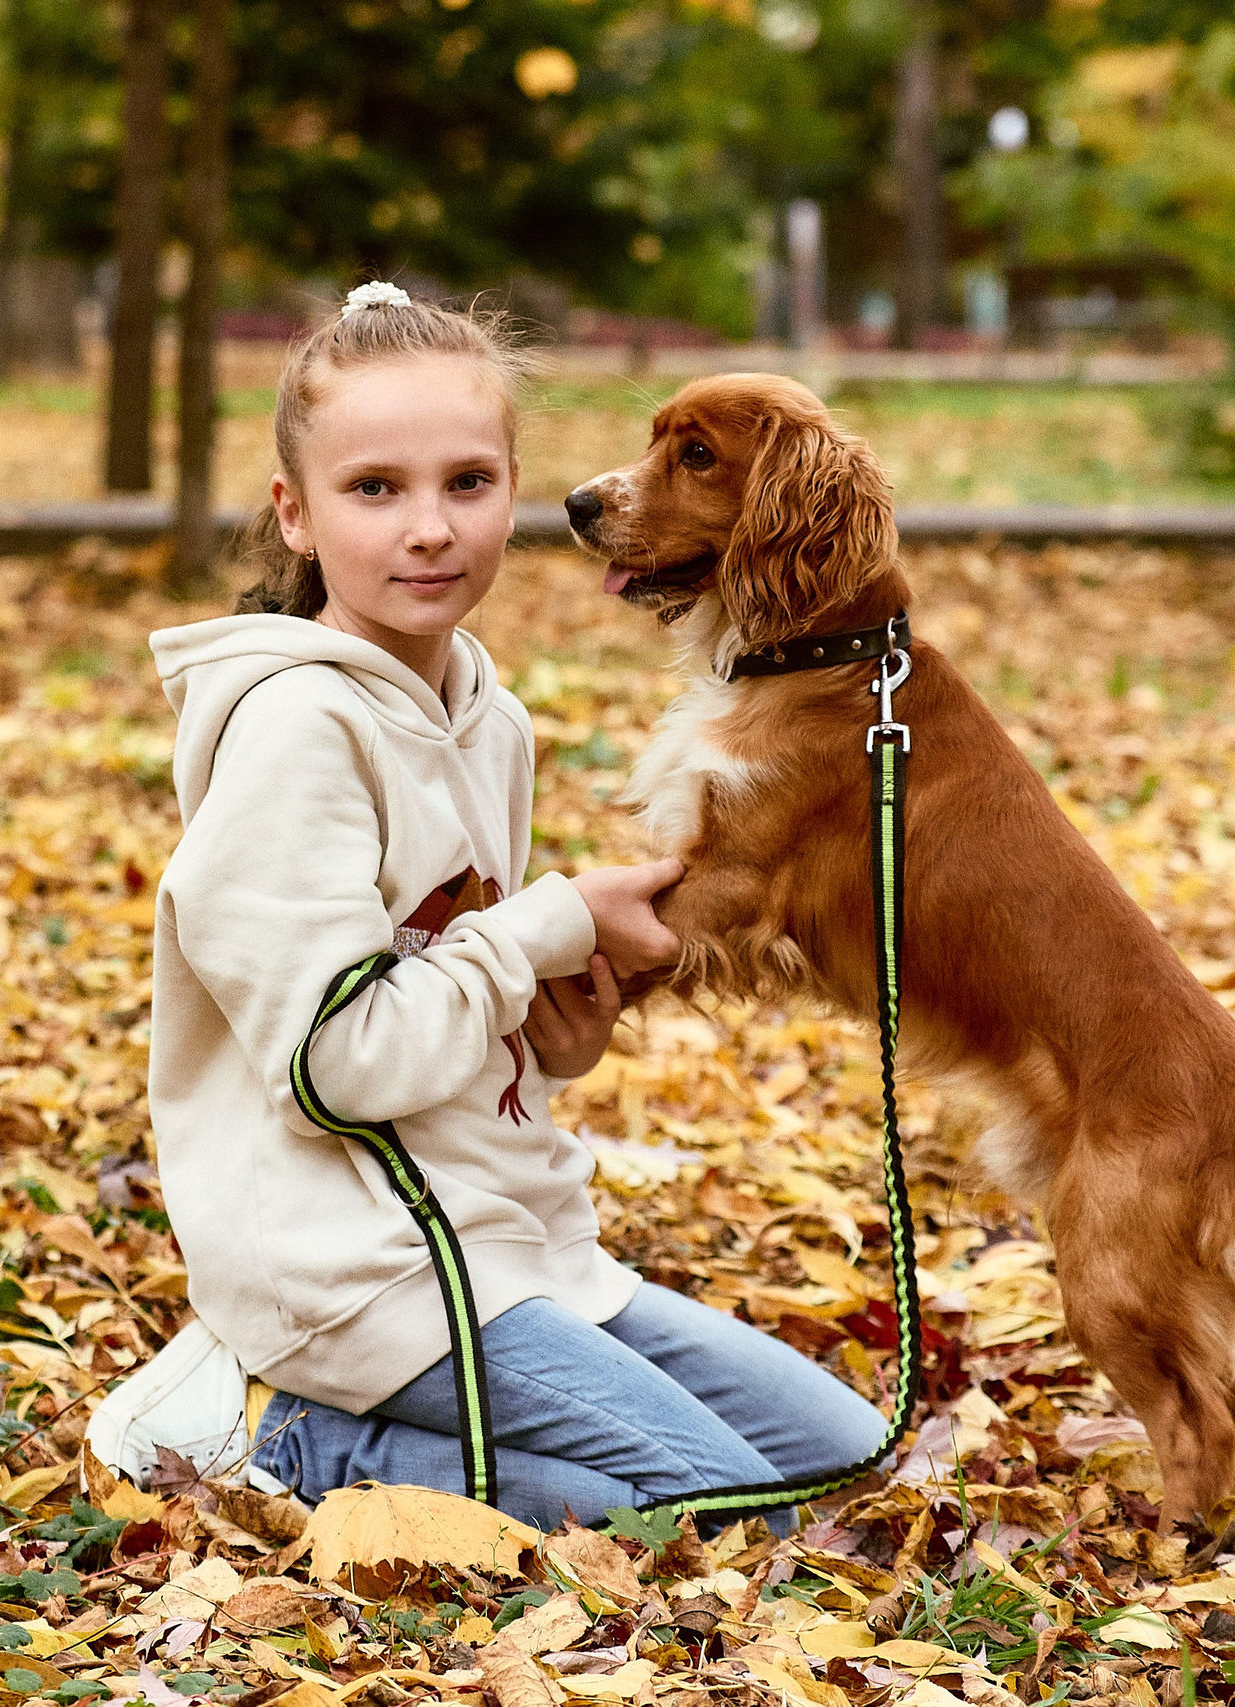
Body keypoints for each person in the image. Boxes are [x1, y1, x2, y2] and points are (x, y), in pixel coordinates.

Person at [126, 282, 887, 1530]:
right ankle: (284, 1436)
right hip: (357, 1278)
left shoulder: (487, 716)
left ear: (513, 489)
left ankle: (437, 1436)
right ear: (295, 514)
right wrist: (548, 922)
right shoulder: (294, 735)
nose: (428, 528)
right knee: (741, 1516)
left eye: (468, 484)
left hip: (509, 1243)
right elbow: (333, 1062)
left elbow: (449, 991)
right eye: (375, 489)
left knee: (851, 1466)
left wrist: (550, 1033)